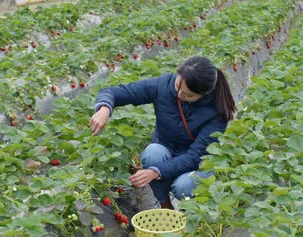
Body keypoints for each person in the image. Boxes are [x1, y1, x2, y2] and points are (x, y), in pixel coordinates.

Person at [89, 56, 236, 209]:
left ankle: (195, 214)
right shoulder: (164, 85)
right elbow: (118, 92)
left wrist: (155, 172)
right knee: (153, 153)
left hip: (196, 164)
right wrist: (105, 109)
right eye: (178, 85)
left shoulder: (217, 112)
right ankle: (165, 206)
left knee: (182, 186)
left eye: (188, 95)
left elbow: (194, 157)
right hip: (166, 149)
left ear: (204, 94)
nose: (179, 94)